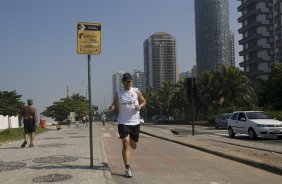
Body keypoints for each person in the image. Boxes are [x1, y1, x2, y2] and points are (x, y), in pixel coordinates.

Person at [108, 72, 146, 178]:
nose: (127, 83)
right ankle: (127, 168)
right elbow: (114, 104)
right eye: (125, 82)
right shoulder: (119, 93)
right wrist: (112, 107)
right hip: (123, 122)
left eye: (129, 81)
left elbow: (144, 101)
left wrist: (141, 106)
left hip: (135, 122)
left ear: (131, 81)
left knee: (134, 146)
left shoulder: (136, 91)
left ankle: (130, 140)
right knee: (125, 143)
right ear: (123, 83)